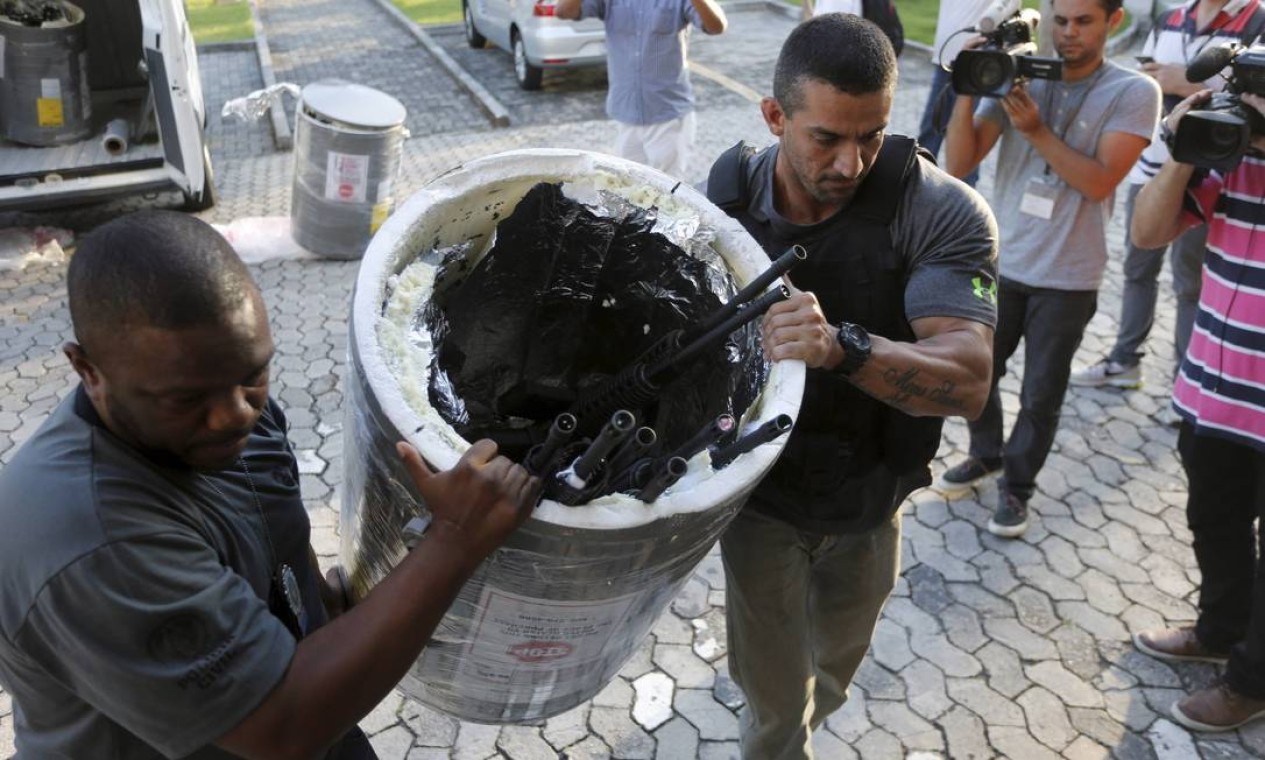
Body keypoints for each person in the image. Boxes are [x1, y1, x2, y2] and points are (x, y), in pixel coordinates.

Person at [0, 211, 540, 758]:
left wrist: (318, 604)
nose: (234, 414)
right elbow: (281, 730)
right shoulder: (91, 543)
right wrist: (454, 539)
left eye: (253, 374)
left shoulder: (222, 412)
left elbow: (271, 517)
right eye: (186, 400)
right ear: (86, 369)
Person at [705, 14, 998, 759]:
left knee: (832, 674)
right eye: (826, 138)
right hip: (760, 503)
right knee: (773, 710)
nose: (850, 162)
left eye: (870, 136)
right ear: (774, 116)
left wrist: (842, 350)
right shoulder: (728, 194)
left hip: (870, 498)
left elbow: (967, 382)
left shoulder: (940, 210)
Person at [940, 0, 1160, 538]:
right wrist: (970, 87)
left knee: (1041, 394)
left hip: (1069, 275)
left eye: (1084, 21)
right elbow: (959, 164)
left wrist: (1036, 130)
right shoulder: (1018, 75)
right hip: (1003, 260)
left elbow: (1099, 181)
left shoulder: (1134, 92)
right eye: (1060, 20)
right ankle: (986, 453)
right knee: (978, 372)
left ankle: (1018, 487)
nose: (1068, 34)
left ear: (1115, 21)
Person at [1129, 89, 1265, 733]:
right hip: (1215, 389)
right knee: (1216, 519)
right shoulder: (1225, 147)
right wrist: (1184, 148)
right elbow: (1147, 231)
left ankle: (1251, 682)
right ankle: (1219, 629)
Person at [1071, 0, 1263, 395]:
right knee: (1137, 270)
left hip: (1212, 176)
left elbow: (1252, 98)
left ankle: (1188, 377)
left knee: (1191, 283)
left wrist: (1182, 83)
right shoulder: (1170, 19)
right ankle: (1124, 361)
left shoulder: (1257, 20)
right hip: (1154, 167)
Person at [555, 0, 727, 179]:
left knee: (667, 194)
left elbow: (716, 27)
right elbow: (562, 11)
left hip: (668, 117)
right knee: (628, 189)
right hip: (626, 117)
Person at [917, 0, 994, 187]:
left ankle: (965, 197)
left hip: (976, 64)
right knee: (930, 129)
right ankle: (917, 185)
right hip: (946, 59)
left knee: (967, 134)